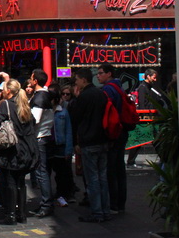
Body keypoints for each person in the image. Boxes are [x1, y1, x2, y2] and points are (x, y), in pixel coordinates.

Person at [0, 79, 39, 225]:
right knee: (21, 182)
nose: (2, 91)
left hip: (12, 149)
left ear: (8, 91)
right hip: (26, 148)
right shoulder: (24, 104)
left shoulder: (6, 105)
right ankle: (21, 214)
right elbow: (33, 122)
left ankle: (10, 214)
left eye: (4, 89)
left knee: (9, 181)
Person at [70, 68, 111, 223]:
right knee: (102, 177)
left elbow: (75, 118)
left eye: (77, 80)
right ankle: (105, 210)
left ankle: (97, 212)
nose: (76, 82)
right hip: (103, 139)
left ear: (84, 80)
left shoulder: (84, 97)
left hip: (89, 140)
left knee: (93, 178)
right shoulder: (101, 94)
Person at [97, 63, 129, 214]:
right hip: (121, 130)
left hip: (113, 131)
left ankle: (114, 204)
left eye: (101, 73)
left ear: (109, 74)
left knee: (111, 169)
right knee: (119, 168)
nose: (98, 76)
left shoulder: (108, 89)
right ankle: (120, 203)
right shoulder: (119, 87)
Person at [28, 69, 55, 218]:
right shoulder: (43, 95)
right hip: (43, 136)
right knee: (42, 171)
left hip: (40, 137)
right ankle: (46, 203)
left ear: (35, 80)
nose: (30, 80)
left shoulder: (40, 97)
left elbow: (35, 119)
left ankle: (46, 204)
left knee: (42, 172)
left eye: (31, 78)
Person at [48, 83, 75, 206]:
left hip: (60, 145)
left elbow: (68, 131)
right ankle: (49, 196)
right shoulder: (45, 112)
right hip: (48, 144)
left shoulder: (63, 112)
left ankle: (62, 194)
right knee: (47, 172)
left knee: (61, 173)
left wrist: (69, 150)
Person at [132, 68, 164, 168]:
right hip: (146, 118)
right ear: (148, 76)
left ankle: (130, 160)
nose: (155, 80)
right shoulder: (143, 87)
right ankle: (163, 159)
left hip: (147, 118)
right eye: (154, 77)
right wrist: (145, 117)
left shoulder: (148, 87)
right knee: (151, 139)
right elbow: (142, 104)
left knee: (144, 140)